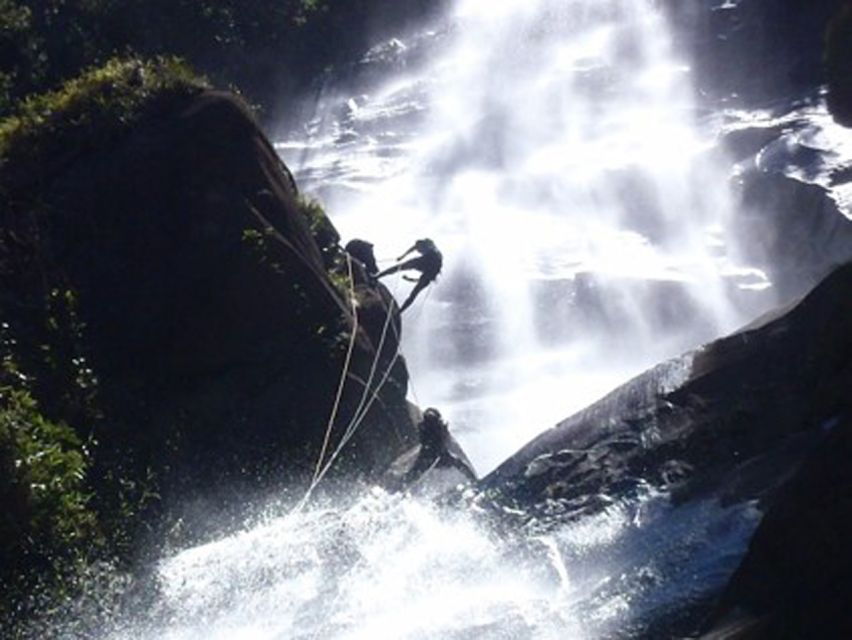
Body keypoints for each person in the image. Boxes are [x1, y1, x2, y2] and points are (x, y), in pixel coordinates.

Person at [401, 408, 477, 487]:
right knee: (414, 473)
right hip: (427, 456)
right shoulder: (423, 428)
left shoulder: (439, 426)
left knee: (459, 464)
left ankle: (474, 481)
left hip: (441, 454)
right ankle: (401, 486)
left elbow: (444, 438)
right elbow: (424, 442)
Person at [377, 238, 442, 312]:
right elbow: (413, 248)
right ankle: (378, 276)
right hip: (426, 263)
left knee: (414, 292)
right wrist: (402, 256)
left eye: (420, 250)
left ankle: (400, 311)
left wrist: (409, 279)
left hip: (429, 264)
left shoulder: (434, 257)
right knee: (400, 267)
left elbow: (422, 280)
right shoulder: (426, 247)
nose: (418, 251)